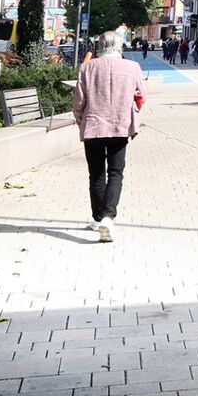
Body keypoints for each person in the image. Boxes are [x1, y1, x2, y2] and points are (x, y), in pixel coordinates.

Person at [72, 31, 142, 243]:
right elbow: (141, 96)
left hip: (93, 126)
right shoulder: (133, 67)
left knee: (96, 174)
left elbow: (78, 101)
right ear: (120, 46)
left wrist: (80, 120)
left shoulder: (87, 67)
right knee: (115, 172)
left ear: (99, 46)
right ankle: (108, 217)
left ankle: (98, 218)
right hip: (120, 125)